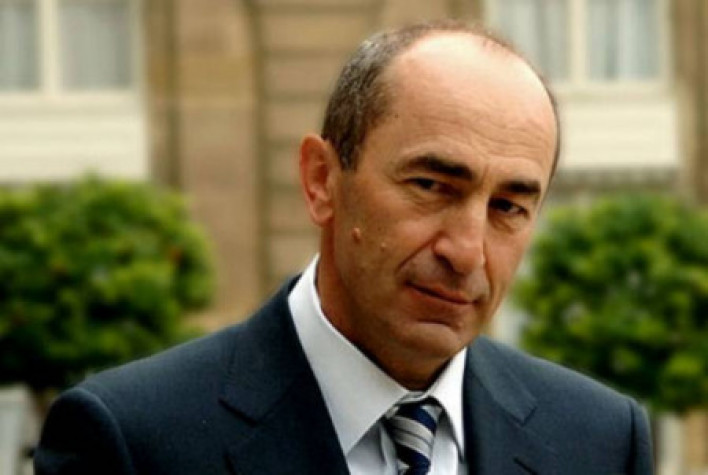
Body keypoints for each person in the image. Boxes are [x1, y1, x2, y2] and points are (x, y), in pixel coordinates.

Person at [34, 20, 652, 474]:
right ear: (322, 181)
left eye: (508, 207)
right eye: (431, 185)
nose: (467, 252)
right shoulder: (130, 442)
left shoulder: (600, 441)